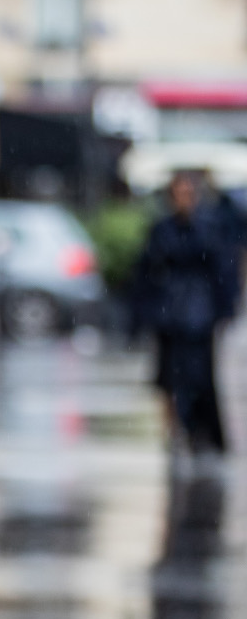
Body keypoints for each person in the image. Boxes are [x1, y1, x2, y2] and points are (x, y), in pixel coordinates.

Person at [133, 171, 236, 453]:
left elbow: (223, 272)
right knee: (169, 377)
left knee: (200, 376)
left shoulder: (209, 227)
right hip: (169, 314)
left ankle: (201, 431)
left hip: (199, 313)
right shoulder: (162, 229)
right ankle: (176, 429)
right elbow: (145, 272)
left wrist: (226, 309)